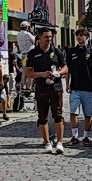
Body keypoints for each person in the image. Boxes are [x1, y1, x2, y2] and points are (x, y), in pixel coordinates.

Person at [25, 27, 68, 156]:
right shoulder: (33, 53)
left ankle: (59, 142)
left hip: (56, 88)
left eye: (50, 37)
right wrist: (42, 74)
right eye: (46, 37)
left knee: (58, 115)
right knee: (42, 116)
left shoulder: (57, 51)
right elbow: (28, 72)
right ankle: (47, 142)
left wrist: (58, 73)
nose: (49, 39)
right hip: (41, 88)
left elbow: (65, 68)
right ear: (39, 38)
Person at [65, 31, 92, 146]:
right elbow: (67, 69)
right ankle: (74, 137)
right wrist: (67, 84)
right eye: (77, 35)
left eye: (81, 35)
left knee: (88, 114)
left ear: (86, 37)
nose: (79, 37)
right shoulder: (71, 52)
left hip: (89, 89)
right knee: (73, 113)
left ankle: (86, 137)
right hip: (75, 88)